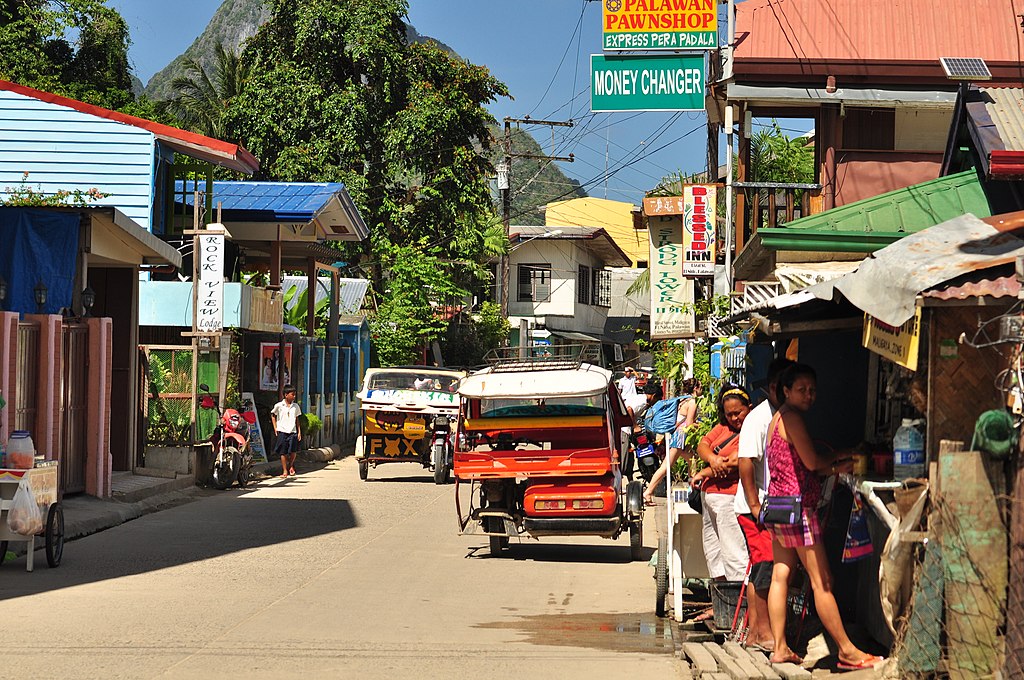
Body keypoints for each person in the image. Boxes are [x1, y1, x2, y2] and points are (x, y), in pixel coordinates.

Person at [764, 364, 883, 670]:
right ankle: (847, 651)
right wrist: (839, 464)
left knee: (781, 574)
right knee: (823, 582)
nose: (809, 395)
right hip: (797, 509)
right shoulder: (791, 417)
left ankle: (779, 648)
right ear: (786, 391)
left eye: (812, 389)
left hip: (777, 507)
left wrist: (839, 458)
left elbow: (807, 461)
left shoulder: (776, 419)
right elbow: (813, 462)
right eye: (801, 389)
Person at [735, 357, 795, 651]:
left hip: (774, 507)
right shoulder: (759, 418)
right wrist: (755, 505)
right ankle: (762, 632)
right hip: (756, 508)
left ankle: (756, 631)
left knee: (765, 568)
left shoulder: (783, 414)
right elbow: (745, 462)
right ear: (775, 387)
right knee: (766, 567)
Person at [687, 385, 753, 621]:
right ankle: (721, 607)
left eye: (738, 412)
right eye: (729, 414)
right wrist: (713, 460)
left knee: (733, 553)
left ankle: (740, 613)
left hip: (730, 498)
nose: (734, 418)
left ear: (749, 408)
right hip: (711, 497)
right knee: (714, 552)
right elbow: (702, 444)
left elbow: (736, 462)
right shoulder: (722, 428)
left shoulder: (752, 430)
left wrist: (707, 469)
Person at [643, 378, 701, 505]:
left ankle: (693, 490)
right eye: (700, 387)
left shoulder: (681, 400)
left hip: (677, 435)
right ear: (696, 388)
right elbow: (689, 423)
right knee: (666, 466)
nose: (701, 389)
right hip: (681, 436)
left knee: (692, 460)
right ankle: (648, 492)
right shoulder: (693, 402)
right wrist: (701, 426)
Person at [271, 385, 302, 478]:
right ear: (286, 395)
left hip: (292, 431)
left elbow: (297, 419)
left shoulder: (295, 406)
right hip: (282, 430)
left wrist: (299, 431)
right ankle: (285, 470)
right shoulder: (279, 405)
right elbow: (273, 415)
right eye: (292, 394)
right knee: (283, 452)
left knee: (293, 451)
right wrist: (275, 427)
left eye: (294, 394)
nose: (294, 396)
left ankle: (291, 464)